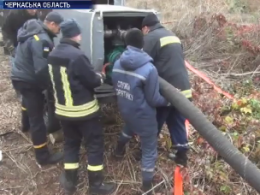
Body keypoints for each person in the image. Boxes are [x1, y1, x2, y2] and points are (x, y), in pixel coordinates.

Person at [47, 19, 116, 195]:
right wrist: (101, 76)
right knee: (94, 145)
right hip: (84, 111)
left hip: (63, 111)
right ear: (75, 34)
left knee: (71, 144)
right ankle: (96, 186)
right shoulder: (77, 56)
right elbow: (92, 82)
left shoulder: (53, 54)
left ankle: (70, 182)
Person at [112, 28, 169, 194]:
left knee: (129, 125)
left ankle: (118, 151)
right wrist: (169, 101)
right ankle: (146, 187)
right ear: (142, 43)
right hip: (144, 116)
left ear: (126, 43)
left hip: (125, 108)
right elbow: (154, 99)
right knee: (149, 149)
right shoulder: (149, 69)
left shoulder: (116, 63)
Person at [11, 12, 64, 165]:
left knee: (27, 101)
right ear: (52, 24)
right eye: (59, 27)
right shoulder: (42, 39)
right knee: (38, 119)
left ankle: (25, 125)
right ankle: (43, 156)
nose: (60, 31)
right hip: (28, 80)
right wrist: (48, 86)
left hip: (18, 75)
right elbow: (41, 70)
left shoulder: (30, 30)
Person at [141, 13, 192, 167]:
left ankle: (145, 153)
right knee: (176, 120)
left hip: (166, 92)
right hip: (183, 88)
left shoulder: (151, 37)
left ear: (145, 28)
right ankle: (182, 155)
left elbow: (142, 61)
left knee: (154, 121)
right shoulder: (173, 35)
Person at [2, 9, 38, 132]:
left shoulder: (39, 14)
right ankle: (20, 94)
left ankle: (26, 98)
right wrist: (12, 49)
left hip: (31, 47)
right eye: (31, 8)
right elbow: (5, 32)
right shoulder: (14, 15)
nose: (34, 10)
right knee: (20, 76)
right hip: (16, 46)